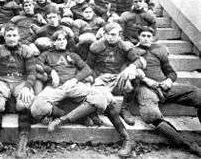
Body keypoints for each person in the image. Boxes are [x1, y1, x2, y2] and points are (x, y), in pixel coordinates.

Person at [47, 23, 146, 157]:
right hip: (101, 80)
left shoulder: (125, 46)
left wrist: (131, 67)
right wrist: (94, 78)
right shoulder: (97, 46)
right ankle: (127, 138)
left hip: (118, 78)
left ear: (119, 35)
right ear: (104, 34)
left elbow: (139, 60)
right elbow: (90, 67)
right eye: (108, 34)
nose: (110, 37)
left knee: (137, 73)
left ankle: (125, 108)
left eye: (114, 35)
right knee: (102, 99)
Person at [132, 26, 201, 156]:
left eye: (149, 36)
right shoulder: (132, 51)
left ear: (152, 38)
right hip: (145, 88)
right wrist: (145, 80)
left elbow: (171, 72)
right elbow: (130, 71)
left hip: (164, 86)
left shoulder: (158, 51)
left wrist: (169, 80)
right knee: (151, 114)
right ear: (138, 37)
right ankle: (186, 144)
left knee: (197, 94)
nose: (146, 38)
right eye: (143, 35)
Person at [0, 25, 36, 158]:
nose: (11, 38)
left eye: (14, 35)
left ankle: (22, 141)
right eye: (8, 35)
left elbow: (32, 72)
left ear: (19, 36)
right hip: (2, 80)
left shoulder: (26, 50)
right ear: (4, 37)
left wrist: (27, 86)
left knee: (25, 101)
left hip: (21, 81)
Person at [31, 30, 93, 124]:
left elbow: (87, 69)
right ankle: (70, 116)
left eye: (64, 39)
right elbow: (37, 64)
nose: (62, 41)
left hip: (73, 86)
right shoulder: (46, 54)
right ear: (54, 42)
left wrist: (75, 79)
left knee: (97, 98)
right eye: (59, 39)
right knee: (36, 107)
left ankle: (80, 115)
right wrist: (51, 71)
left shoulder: (73, 55)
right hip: (55, 87)